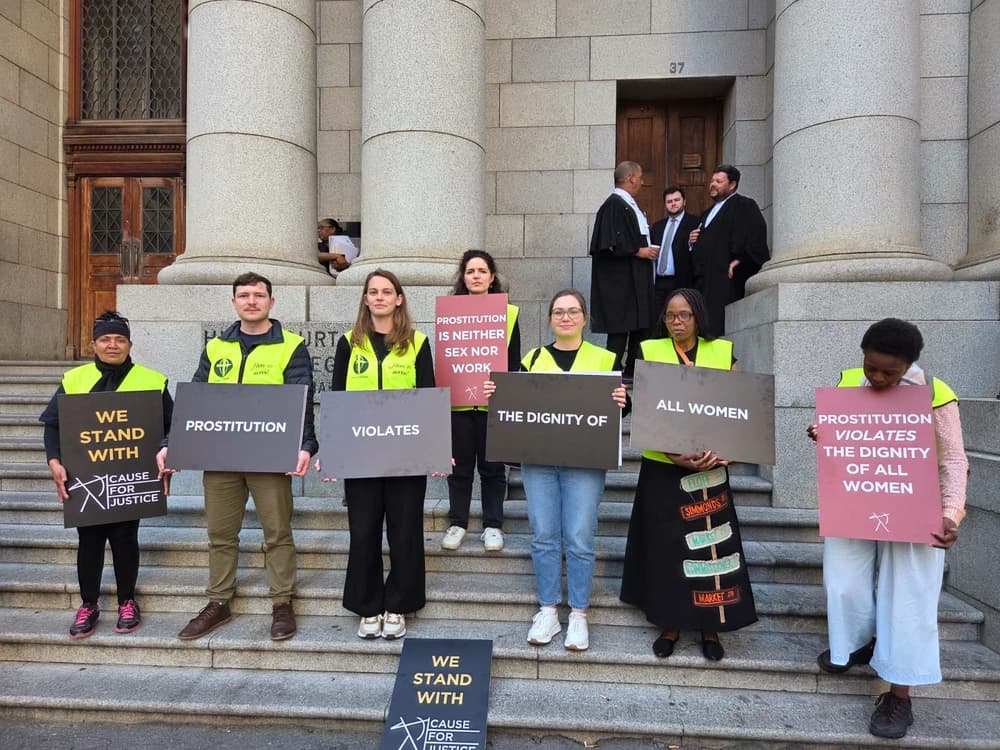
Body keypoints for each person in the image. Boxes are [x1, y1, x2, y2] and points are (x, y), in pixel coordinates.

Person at [807, 318, 968, 740]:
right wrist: (823, 435)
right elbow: (842, 441)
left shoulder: (935, 393)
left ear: (910, 365)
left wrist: (951, 514)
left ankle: (899, 693)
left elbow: (952, 459)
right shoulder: (847, 382)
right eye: (870, 367)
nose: (876, 378)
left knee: (909, 597)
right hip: (857, 497)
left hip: (917, 508)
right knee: (844, 583)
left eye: (888, 372)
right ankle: (857, 644)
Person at [167, 272, 316, 642]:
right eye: (244, 295)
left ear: (271, 301)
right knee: (220, 533)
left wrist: (306, 445)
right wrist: (173, 441)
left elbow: (302, 400)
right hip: (221, 457)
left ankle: (282, 602)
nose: (252, 301)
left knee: (277, 532)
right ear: (234, 302)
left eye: (259, 295)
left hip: (270, 456)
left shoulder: (291, 345)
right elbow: (195, 399)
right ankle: (219, 602)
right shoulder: (217, 347)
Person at [485, 289, 627, 652]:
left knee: (579, 537)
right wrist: (496, 394)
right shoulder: (532, 358)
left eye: (573, 311)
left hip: (585, 461)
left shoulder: (604, 358)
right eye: (559, 312)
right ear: (549, 319)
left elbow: (618, 412)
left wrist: (624, 402)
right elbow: (517, 405)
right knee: (544, 535)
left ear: (584, 318)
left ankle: (578, 613)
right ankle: (548, 609)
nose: (566, 317)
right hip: (540, 462)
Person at [620, 288, 758, 661]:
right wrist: (674, 454)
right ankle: (670, 622)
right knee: (668, 549)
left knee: (712, 549)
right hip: (664, 467)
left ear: (698, 316)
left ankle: (711, 626)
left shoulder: (722, 352)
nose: (676, 322)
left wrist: (727, 452)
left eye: (684, 315)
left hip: (711, 467)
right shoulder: (650, 351)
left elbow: (736, 408)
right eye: (670, 315)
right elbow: (648, 412)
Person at [39, 311, 173, 639]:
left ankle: (128, 601)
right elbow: (53, 424)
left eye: (119, 339)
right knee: (89, 540)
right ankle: (89, 604)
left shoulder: (153, 380)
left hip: (131, 476)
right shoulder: (74, 379)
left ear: (129, 343)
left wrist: (168, 453)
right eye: (105, 339)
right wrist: (53, 461)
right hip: (87, 476)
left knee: (126, 538)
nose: (112, 345)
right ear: (94, 343)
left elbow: (171, 427)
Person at [319, 269, 435, 640]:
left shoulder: (417, 342)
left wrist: (433, 451)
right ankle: (368, 606)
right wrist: (332, 452)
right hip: (361, 454)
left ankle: (399, 604)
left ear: (399, 299)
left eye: (387, 291)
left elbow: (428, 398)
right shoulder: (347, 343)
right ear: (365, 299)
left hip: (406, 454)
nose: (380, 297)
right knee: (364, 530)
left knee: (405, 532)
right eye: (374, 292)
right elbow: (336, 399)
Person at [441, 250, 521, 553]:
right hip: (458, 406)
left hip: (492, 404)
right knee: (459, 469)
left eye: (482, 271)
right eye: (470, 271)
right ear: (463, 277)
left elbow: (512, 363)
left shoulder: (508, 313)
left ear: (492, 277)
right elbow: (447, 359)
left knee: (492, 470)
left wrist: (503, 388)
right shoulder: (450, 312)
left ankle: (492, 526)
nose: (476, 276)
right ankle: (458, 522)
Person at [588, 161, 660, 378]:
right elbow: (609, 244)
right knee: (620, 329)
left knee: (640, 325)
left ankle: (632, 370)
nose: (642, 181)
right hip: (622, 284)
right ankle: (612, 373)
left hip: (635, 281)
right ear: (631, 178)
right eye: (640, 176)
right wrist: (639, 251)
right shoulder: (614, 205)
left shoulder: (628, 205)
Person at [688, 164, 769, 336]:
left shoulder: (744, 205)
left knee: (719, 329)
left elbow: (756, 235)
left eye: (718, 181)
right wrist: (692, 241)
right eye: (712, 181)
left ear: (732, 185)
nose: (713, 184)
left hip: (725, 279)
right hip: (704, 282)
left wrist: (741, 259)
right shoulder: (706, 213)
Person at [648, 186, 698, 336]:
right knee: (657, 323)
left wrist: (691, 243)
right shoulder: (657, 226)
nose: (673, 204)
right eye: (669, 201)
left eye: (677, 200)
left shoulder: (694, 223)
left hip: (681, 281)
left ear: (684, 202)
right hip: (659, 283)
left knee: (680, 322)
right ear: (665, 204)